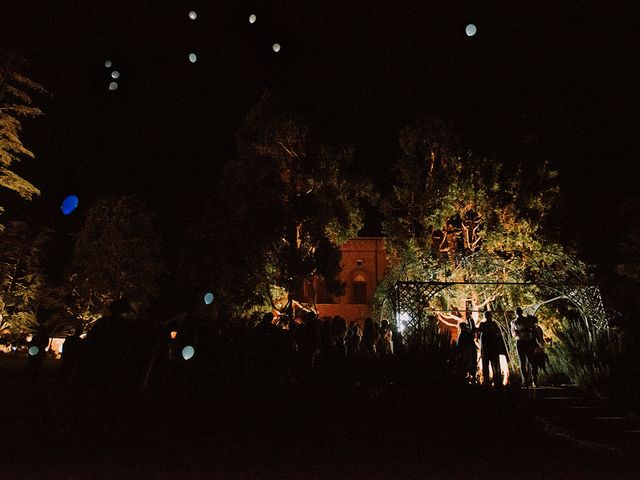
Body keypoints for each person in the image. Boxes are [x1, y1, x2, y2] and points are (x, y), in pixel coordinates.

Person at [477, 311, 508, 387]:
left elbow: (498, 332)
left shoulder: (494, 324)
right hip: (486, 348)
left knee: (495, 365)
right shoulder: (483, 324)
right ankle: (487, 381)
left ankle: (497, 381)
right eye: (487, 316)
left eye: (489, 316)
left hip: (493, 348)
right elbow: (479, 332)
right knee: (486, 365)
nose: (488, 317)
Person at [510, 307, 538, 387]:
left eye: (519, 311)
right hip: (519, 342)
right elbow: (512, 333)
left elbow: (532, 329)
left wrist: (523, 330)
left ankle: (534, 380)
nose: (517, 313)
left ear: (521, 312)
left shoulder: (527, 320)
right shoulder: (513, 322)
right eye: (516, 312)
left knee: (532, 361)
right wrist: (515, 333)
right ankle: (525, 380)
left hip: (528, 341)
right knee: (522, 362)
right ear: (515, 313)